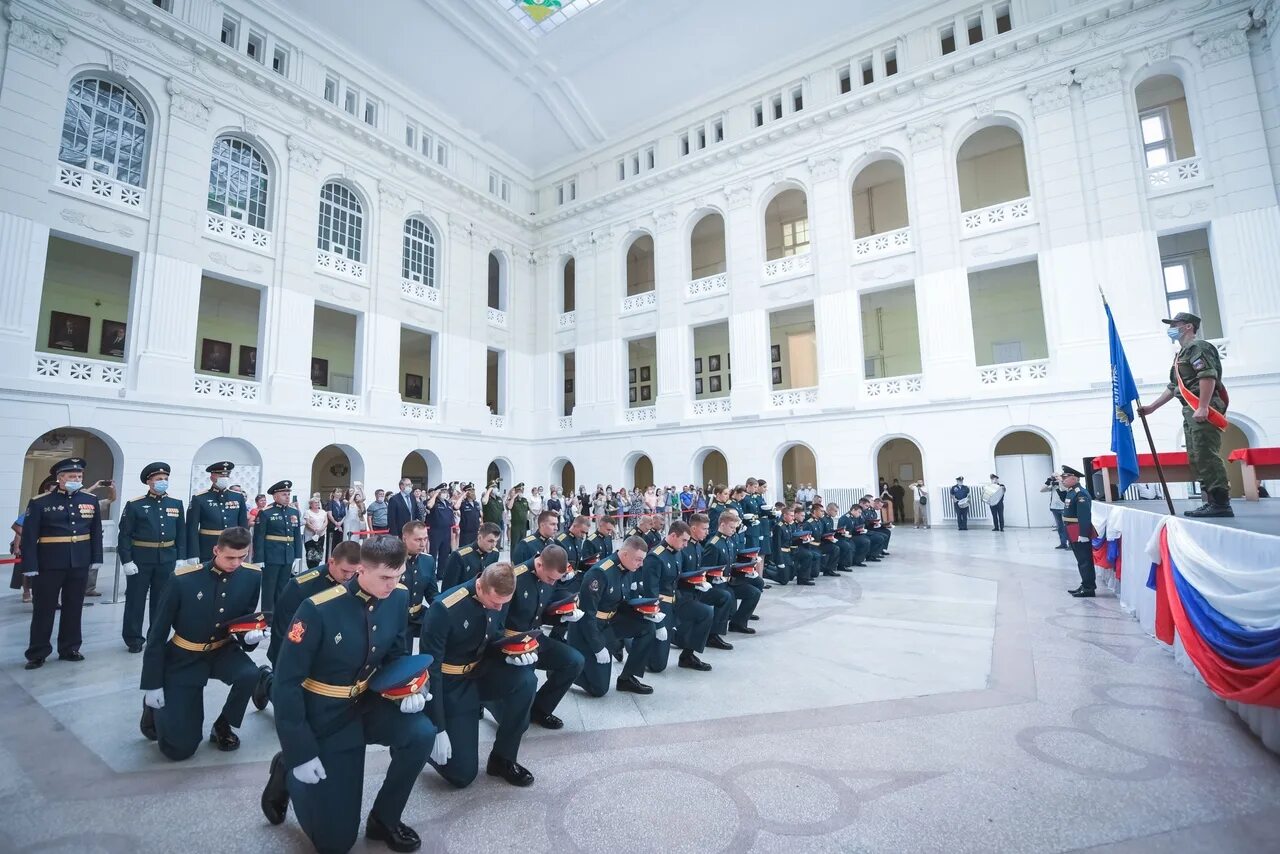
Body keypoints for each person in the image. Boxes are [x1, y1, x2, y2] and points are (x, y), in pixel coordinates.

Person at [263, 535, 432, 852]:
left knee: (421, 732)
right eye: (384, 577)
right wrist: (299, 751)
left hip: (369, 703)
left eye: (398, 577)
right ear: (361, 571)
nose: (391, 585)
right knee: (336, 844)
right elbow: (286, 682)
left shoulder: (397, 597)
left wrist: (410, 688)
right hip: (326, 714)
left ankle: (385, 818)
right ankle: (286, 771)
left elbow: (395, 654)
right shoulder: (318, 609)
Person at [139, 527, 263, 759]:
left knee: (250, 674)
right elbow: (156, 634)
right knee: (179, 750)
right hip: (184, 655)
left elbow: (242, 623)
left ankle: (223, 725)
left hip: (222, 650)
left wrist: (249, 638)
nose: (236, 563)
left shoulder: (252, 576)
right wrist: (152, 683)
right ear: (216, 550)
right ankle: (154, 709)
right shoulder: (183, 580)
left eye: (242, 557)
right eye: (230, 557)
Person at [421, 562, 537, 788]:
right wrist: (438, 727)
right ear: (480, 587)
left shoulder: (499, 597)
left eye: (503, 603)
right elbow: (431, 669)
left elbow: (493, 636)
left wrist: (510, 654)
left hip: (481, 671)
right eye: (495, 602)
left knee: (526, 680)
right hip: (451, 684)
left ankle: (503, 758)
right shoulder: (444, 608)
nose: (498, 608)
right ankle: (421, 747)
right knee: (462, 775)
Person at [1138, 311, 1233, 518]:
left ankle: (1221, 503)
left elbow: (1207, 376)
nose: (1171, 328)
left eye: (1175, 324)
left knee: (1207, 454)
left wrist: (1203, 406)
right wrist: (1152, 407)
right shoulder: (1180, 355)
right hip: (1190, 408)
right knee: (1196, 455)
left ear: (1188, 326)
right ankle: (1210, 501)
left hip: (1201, 406)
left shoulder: (1199, 347)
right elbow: (1174, 387)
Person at [254, 540, 363, 712]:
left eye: (354, 572)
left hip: (333, 653)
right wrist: (285, 666)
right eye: (344, 571)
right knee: (292, 708)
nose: (349, 577)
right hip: (299, 651)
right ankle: (266, 681)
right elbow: (283, 631)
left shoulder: (358, 583)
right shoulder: (302, 586)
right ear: (331, 562)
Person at [21, 458, 104, 669]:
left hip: (79, 562)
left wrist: (96, 558)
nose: (76, 479)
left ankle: (70, 648)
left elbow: (95, 532)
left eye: (79, 476)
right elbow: (30, 537)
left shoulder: (90, 500)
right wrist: (30, 565)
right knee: (44, 609)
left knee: (74, 607)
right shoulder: (40, 502)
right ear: (59, 478)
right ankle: (38, 652)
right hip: (49, 562)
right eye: (71, 476)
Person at [569, 536, 661, 696]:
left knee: (647, 627)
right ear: (624, 554)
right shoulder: (599, 573)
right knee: (599, 689)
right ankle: (566, 673)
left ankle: (627, 678)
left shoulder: (628, 568)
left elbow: (624, 602)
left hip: (611, 621)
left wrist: (647, 613)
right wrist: (598, 647)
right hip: (590, 628)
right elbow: (587, 615)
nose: (641, 564)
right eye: (638, 560)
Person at [506, 545, 585, 729]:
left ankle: (540, 709)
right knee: (517, 721)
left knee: (575, 661)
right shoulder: (514, 578)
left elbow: (542, 611)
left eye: (555, 580)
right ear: (539, 564)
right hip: (511, 644)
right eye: (550, 578)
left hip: (535, 639)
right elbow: (496, 621)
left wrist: (562, 615)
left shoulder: (549, 575)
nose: (551, 583)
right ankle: (489, 701)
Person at [117, 462, 186, 654]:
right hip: (141, 559)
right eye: (158, 479)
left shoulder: (175, 504)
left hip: (167, 559)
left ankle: (156, 637)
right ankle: (133, 639)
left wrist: (181, 557)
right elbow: (124, 535)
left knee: (162, 602)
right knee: (135, 600)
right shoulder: (135, 505)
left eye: (165, 479)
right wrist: (127, 560)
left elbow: (181, 534)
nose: (163, 482)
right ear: (149, 482)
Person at [642, 520, 713, 673]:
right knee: (658, 666)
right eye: (684, 540)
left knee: (706, 612)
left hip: (678, 601)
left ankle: (688, 656)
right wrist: (659, 624)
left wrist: (698, 582)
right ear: (673, 535)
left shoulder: (677, 552)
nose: (686, 545)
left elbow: (678, 579)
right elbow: (650, 592)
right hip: (662, 607)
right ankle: (630, 641)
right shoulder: (655, 557)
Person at [703, 510, 762, 633]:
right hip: (718, 584)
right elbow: (707, 570)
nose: (734, 530)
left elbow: (733, 561)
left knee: (754, 592)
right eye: (731, 527)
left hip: (730, 581)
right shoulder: (713, 544)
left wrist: (749, 563)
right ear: (722, 525)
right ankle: (716, 632)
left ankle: (738, 622)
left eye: (735, 527)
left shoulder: (729, 540)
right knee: (727, 596)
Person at [253, 481, 305, 612]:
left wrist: (298, 555)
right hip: (272, 555)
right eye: (284, 494)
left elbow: (297, 535)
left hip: (288, 555)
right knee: (269, 589)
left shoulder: (293, 512)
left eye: (288, 494)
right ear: (275, 496)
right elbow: (259, 537)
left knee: (283, 588)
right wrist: (259, 558)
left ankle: (279, 617)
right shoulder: (266, 512)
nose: (287, 497)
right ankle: (267, 618)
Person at [186, 462, 249, 564]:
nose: (224, 478)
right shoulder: (200, 498)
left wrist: (244, 548)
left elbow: (243, 526)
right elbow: (191, 528)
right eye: (221, 475)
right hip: (207, 548)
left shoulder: (238, 497)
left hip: (233, 547)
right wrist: (193, 553)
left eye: (227, 475)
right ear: (212, 477)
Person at [1059, 466, 1097, 598]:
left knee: (1085, 560)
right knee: (1081, 560)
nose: (1063, 479)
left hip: (1079, 531)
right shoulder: (1072, 491)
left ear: (1074, 478)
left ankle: (1089, 588)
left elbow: (1084, 516)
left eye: (1065, 477)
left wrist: (1084, 534)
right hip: (1072, 529)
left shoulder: (1080, 493)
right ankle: (1085, 584)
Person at [400, 521, 437, 643]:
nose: (423, 544)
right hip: (397, 619)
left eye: (425, 539)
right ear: (404, 538)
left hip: (418, 616)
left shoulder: (428, 560)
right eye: (418, 540)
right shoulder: (392, 561)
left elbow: (432, 594)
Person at [424, 483, 458, 566]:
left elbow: (455, 508)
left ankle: (441, 574)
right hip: (435, 531)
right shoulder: (433, 502)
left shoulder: (447, 503)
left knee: (444, 553)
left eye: (446, 491)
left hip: (446, 531)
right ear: (438, 492)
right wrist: (435, 494)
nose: (445, 493)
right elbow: (429, 506)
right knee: (433, 553)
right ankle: (431, 573)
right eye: (442, 491)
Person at [302, 498, 328, 567]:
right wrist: (314, 529)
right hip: (310, 536)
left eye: (318, 502)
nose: (317, 503)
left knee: (319, 553)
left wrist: (321, 529)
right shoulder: (307, 512)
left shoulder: (323, 512)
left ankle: (316, 568)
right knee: (311, 554)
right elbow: (307, 523)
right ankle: (310, 569)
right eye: (315, 502)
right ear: (311, 504)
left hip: (321, 535)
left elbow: (326, 522)